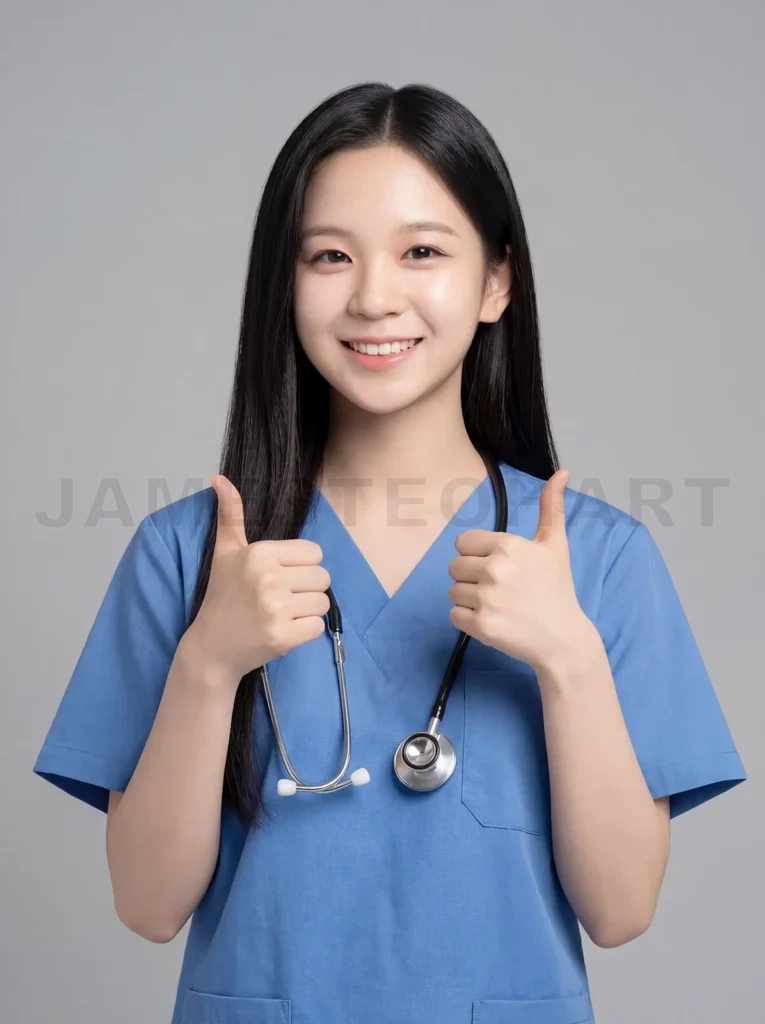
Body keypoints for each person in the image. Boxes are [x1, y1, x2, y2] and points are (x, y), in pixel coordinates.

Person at [33, 81, 747, 1024]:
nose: (373, 297)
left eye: (421, 252)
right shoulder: (188, 555)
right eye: (329, 255)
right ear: (284, 284)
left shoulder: (597, 560)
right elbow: (146, 905)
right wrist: (208, 664)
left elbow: (619, 912)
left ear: (495, 282)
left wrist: (569, 659)